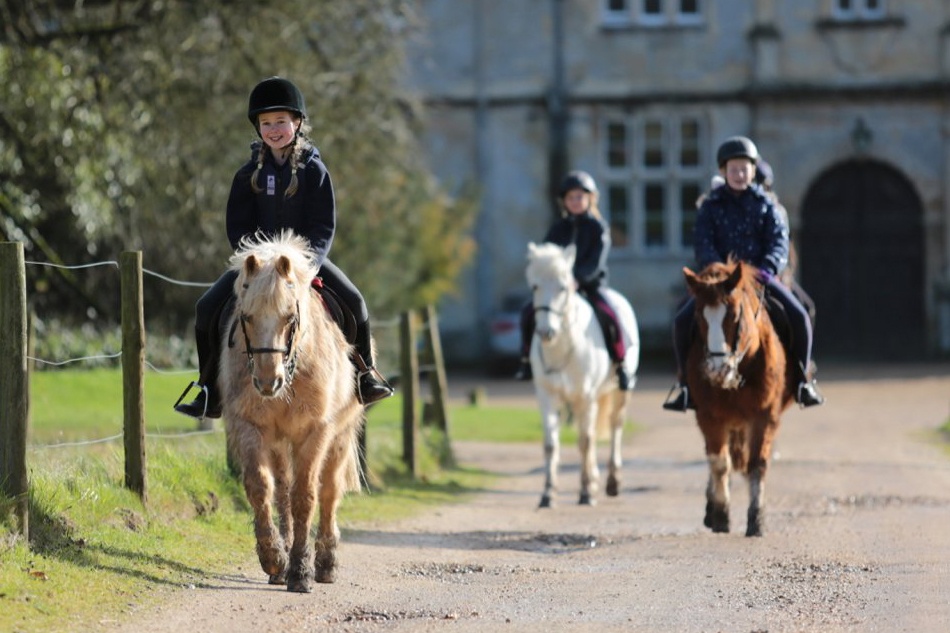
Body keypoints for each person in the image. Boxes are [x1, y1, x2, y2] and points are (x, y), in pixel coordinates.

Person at [174, 76, 393, 418]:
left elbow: (323, 226)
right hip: (258, 267)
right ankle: (207, 389)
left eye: (280, 122)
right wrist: (253, 263)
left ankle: (366, 377)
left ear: (297, 123)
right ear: (258, 127)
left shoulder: (314, 171)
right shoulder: (247, 174)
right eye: (266, 123)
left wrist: (309, 264)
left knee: (356, 302)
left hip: (304, 263)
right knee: (206, 308)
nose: (273, 129)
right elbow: (238, 226)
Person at [663, 136, 824, 411]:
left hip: (760, 278)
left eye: (744, 168)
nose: (739, 174)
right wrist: (717, 273)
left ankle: (802, 379)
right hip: (720, 283)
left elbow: (778, 242)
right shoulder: (709, 207)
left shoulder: (768, 205)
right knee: (681, 320)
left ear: (753, 170)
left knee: (800, 313)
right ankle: (685, 385)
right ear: (723, 172)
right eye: (733, 169)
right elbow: (703, 243)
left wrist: (767, 269)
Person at [513, 170, 634, 390]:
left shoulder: (598, 228)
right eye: (571, 198)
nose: (575, 201)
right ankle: (526, 361)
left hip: (590, 287)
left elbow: (595, 263)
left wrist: (577, 280)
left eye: (579, 197)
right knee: (527, 312)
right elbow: (545, 257)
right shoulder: (557, 229)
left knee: (610, 316)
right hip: (558, 290)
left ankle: (621, 363)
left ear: (590, 199)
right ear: (564, 202)